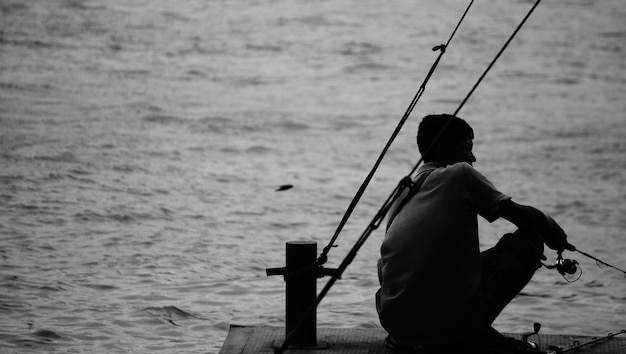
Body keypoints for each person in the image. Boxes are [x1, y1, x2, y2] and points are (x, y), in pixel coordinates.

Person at [376, 114, 575, 353]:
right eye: (467, 148)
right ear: (442, 148)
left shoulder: (403, 192)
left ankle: (434, 331)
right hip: (446, 327)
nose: (473, 157)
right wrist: (551, 228)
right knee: (528, 241)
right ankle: (468, 335)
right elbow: (523, 218)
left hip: (397, 325)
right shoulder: (459, 174)